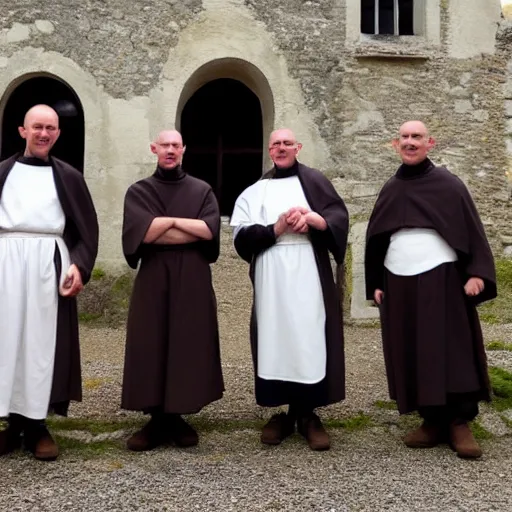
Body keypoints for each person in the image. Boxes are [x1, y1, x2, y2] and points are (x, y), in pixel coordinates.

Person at [365, 120, 497, 459]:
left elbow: (472, 229)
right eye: (405, 138)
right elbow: (377, 240)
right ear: (396, 144)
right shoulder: (391, 188)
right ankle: (431, 420)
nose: (410, 143)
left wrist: (477, 272)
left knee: (450, 347)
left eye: (417, 137)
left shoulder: (449, 185)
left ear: (430, 143)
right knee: (413, 347)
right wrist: (377, 283)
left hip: (442, 278)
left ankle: (458, 422)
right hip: (399, 281)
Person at [230, 128, 348, 451]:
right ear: (269, 150)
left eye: (287, 143)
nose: (281, 148)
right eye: (275, 144)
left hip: (308, 273)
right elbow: (241, 238)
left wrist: (314, 220)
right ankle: (285, 413)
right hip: (272, 279)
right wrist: (276, 228)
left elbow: (337, 217)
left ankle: (308, 415)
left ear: (298, 147)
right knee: (276, 338)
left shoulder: (316, 181)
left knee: (307, 337)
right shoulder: (256, 191)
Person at [0, 104, 99, 461]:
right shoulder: (3, 173)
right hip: (6, 262)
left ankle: (37, 424)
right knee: (7, 339)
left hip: (48, 264)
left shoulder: (68, 176)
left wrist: (80, 267)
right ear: (22, 131)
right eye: (37, 127)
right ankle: (11, 423)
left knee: (42, 343)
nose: (44, 133)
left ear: (58, 133)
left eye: (51, 128)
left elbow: (87, 231)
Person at [121, 129, 224, 451]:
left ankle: (178, 414)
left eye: (175, 145)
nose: (170, 150)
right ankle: (156, 419)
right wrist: (182, 225)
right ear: (154, 148)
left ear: (183, 150)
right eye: (164, 145)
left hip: (192, 275)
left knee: (188, 341)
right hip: (153, 274)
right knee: (150, 340)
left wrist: (162, 223)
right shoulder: (139, 191)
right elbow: (144, 235)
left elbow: (208, 231)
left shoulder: (201, 189)